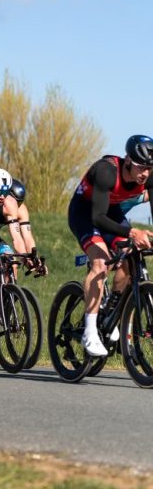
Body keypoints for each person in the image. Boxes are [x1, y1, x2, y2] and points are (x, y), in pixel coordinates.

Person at [68, 135, 153, 357]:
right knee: (101, 263)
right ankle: (89, 331)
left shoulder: (149, 177)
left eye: (149, 168)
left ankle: (111, 310)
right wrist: (132, 231)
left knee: (131, 254)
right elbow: (97, 218)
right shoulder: (106, 171)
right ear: (128, 161)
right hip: (86, 214)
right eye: (141, 167)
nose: (145, 173)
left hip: (112, 213)